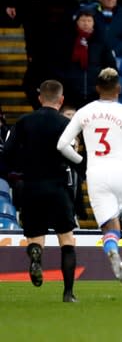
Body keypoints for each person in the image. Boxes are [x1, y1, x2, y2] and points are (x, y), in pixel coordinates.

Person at [57, 68, 122, 301]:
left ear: (97, 88)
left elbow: (63, 144)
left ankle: (112, 247)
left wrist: (81, 163)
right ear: (119, 89)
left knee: (109, 226)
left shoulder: (85, 112)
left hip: (97, 173)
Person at [3, 80, 78, 302]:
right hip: (57, 186)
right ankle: (68, 293)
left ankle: (36, 255)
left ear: (39, 98)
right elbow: (72, 155)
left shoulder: (24, 122)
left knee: (35, 238)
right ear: (61, 100)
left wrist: (16, 173)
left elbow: (6, 154)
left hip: (31, 186)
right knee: (67, 240)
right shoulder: (65, 124)